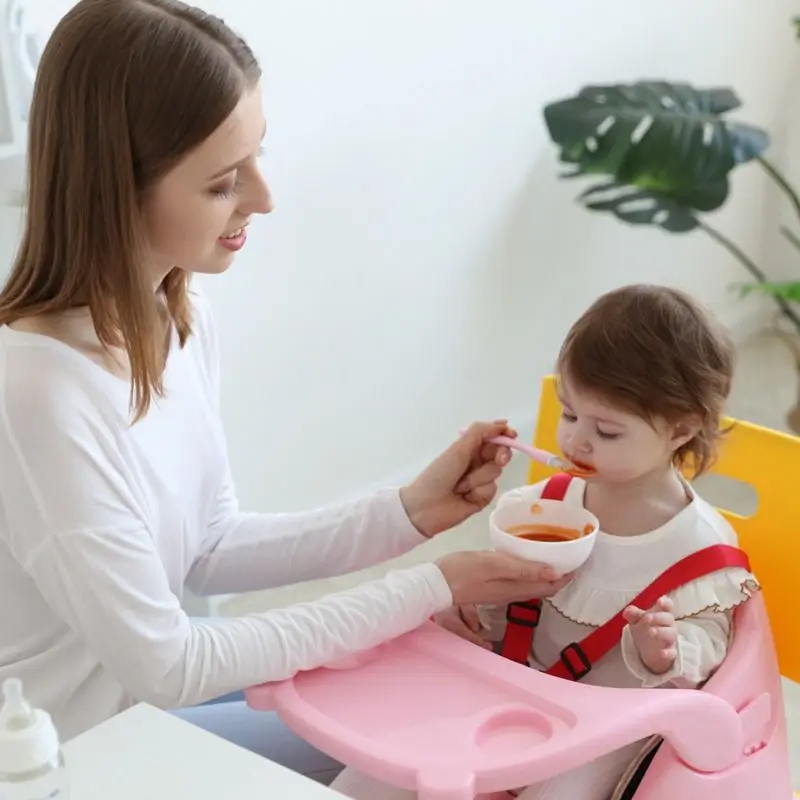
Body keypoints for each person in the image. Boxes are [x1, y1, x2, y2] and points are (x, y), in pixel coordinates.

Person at [0, 0, 570, 785]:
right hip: (72, 760)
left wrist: (407, 514)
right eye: (224, 182)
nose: (264, 199)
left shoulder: (178, 315)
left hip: (145, 715)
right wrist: (430, 584)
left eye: (257, 158)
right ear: (115, 187)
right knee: (417, 749)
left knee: (430, 703)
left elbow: (208, 544)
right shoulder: (35, 395)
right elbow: (170, 663)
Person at [330, 284, 760, 800]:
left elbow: (716, 657)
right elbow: (504, 602)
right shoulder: (544, 503)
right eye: (570, 414)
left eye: (606, 430)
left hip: (611, 728)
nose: (576, 440)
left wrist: (666, 650)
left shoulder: (702, 548)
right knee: (386, 766)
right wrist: (469, 615)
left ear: (680, 429)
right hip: (511, 692)